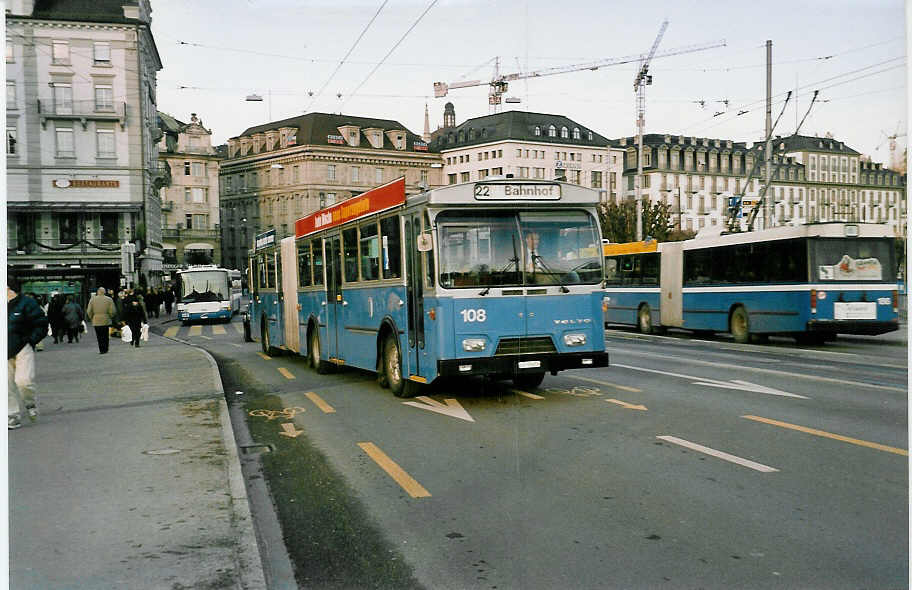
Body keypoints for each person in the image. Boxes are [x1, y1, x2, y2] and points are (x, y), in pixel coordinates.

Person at [8, 277, 49, 429]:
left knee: (23, 381)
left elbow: (41, 324)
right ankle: (12, 415)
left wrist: (31, 340)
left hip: (22, 347)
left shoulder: (27, 303)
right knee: (5, 385)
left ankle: (30, 402)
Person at [86, 287, 116, 354]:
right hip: (106, 319)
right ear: (104, 292)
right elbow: (113, 310)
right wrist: (110, 316)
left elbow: (89, 311)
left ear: (98, 292)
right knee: (105, 335)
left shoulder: (92, 300)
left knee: (99, 336)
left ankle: (101, 349)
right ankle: (106, 348)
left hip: (96, 320)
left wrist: (92, 317)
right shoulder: (109, 299)